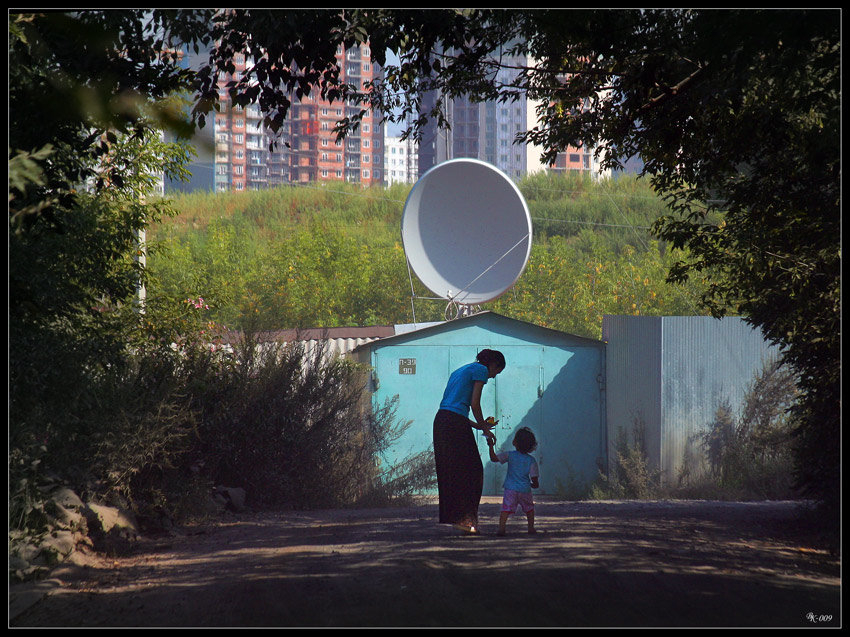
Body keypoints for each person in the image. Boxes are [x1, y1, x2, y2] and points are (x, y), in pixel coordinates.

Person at [433, 349, 505, 535]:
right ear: (492, 364)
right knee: (474, 471)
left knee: (454, 472)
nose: (493, 376)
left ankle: (462, 520)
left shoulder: (459, 371)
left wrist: (479, 426)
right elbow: (475, 404)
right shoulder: (480, 370)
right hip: (454, 422)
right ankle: (466, 521)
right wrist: (485, 427)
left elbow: (454, 408)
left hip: (443, 421)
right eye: (496, 371)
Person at [487, 426, 540, 536]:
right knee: (529, 509)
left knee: (506, 509)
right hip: (525, 489)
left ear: (515, 442)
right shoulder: (531, 460)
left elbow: (493, 458)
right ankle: (531, 528)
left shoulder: (509, 455)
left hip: (510, 489)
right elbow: (534, 478)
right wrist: (534, 484)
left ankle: (501, 529)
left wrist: (491, 446)